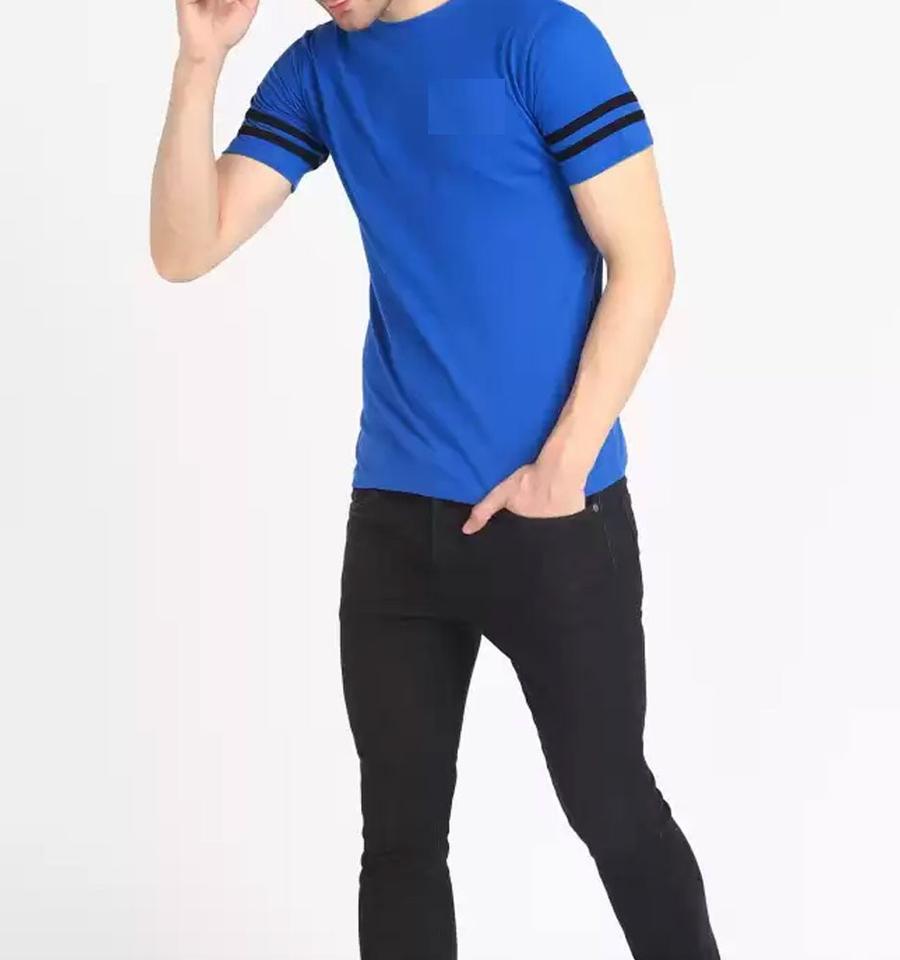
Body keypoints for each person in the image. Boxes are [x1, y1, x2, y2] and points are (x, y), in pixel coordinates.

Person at [150, 0, 722, 956]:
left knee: (612, 807)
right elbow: (183, 248)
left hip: (553, 519)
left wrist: (560, 471)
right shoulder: (320, 70)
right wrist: (198, 62)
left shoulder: (541, 40)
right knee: (400, 846)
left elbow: (646, 263)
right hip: (395, 524)